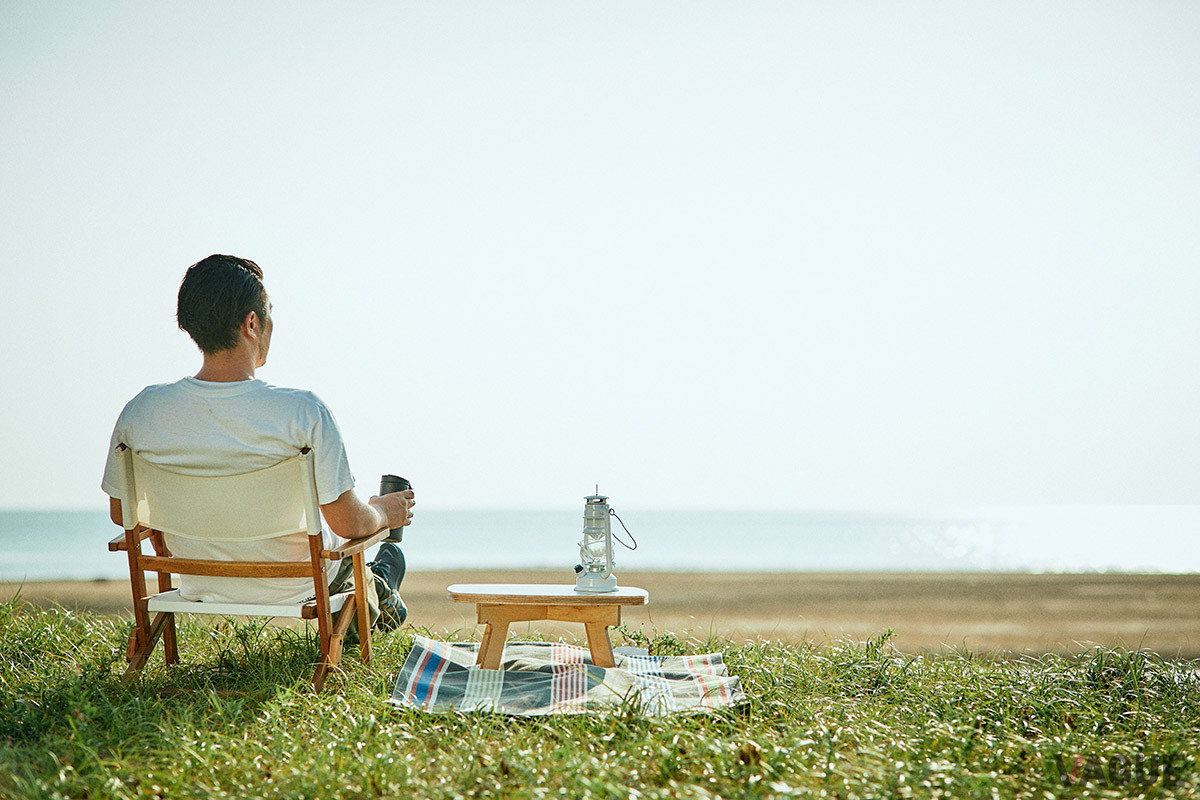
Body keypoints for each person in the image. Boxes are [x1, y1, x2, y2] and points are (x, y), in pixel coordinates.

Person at [101, 254, 413, 633]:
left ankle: (378, 589)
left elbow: (123, 515)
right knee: (366, 558)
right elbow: (348, 521)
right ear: (252, 322)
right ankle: (380, 584)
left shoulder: (142, 411)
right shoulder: (302, 411)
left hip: (199, 583)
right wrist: (384, 512)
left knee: (353, 565)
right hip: (299, 584)